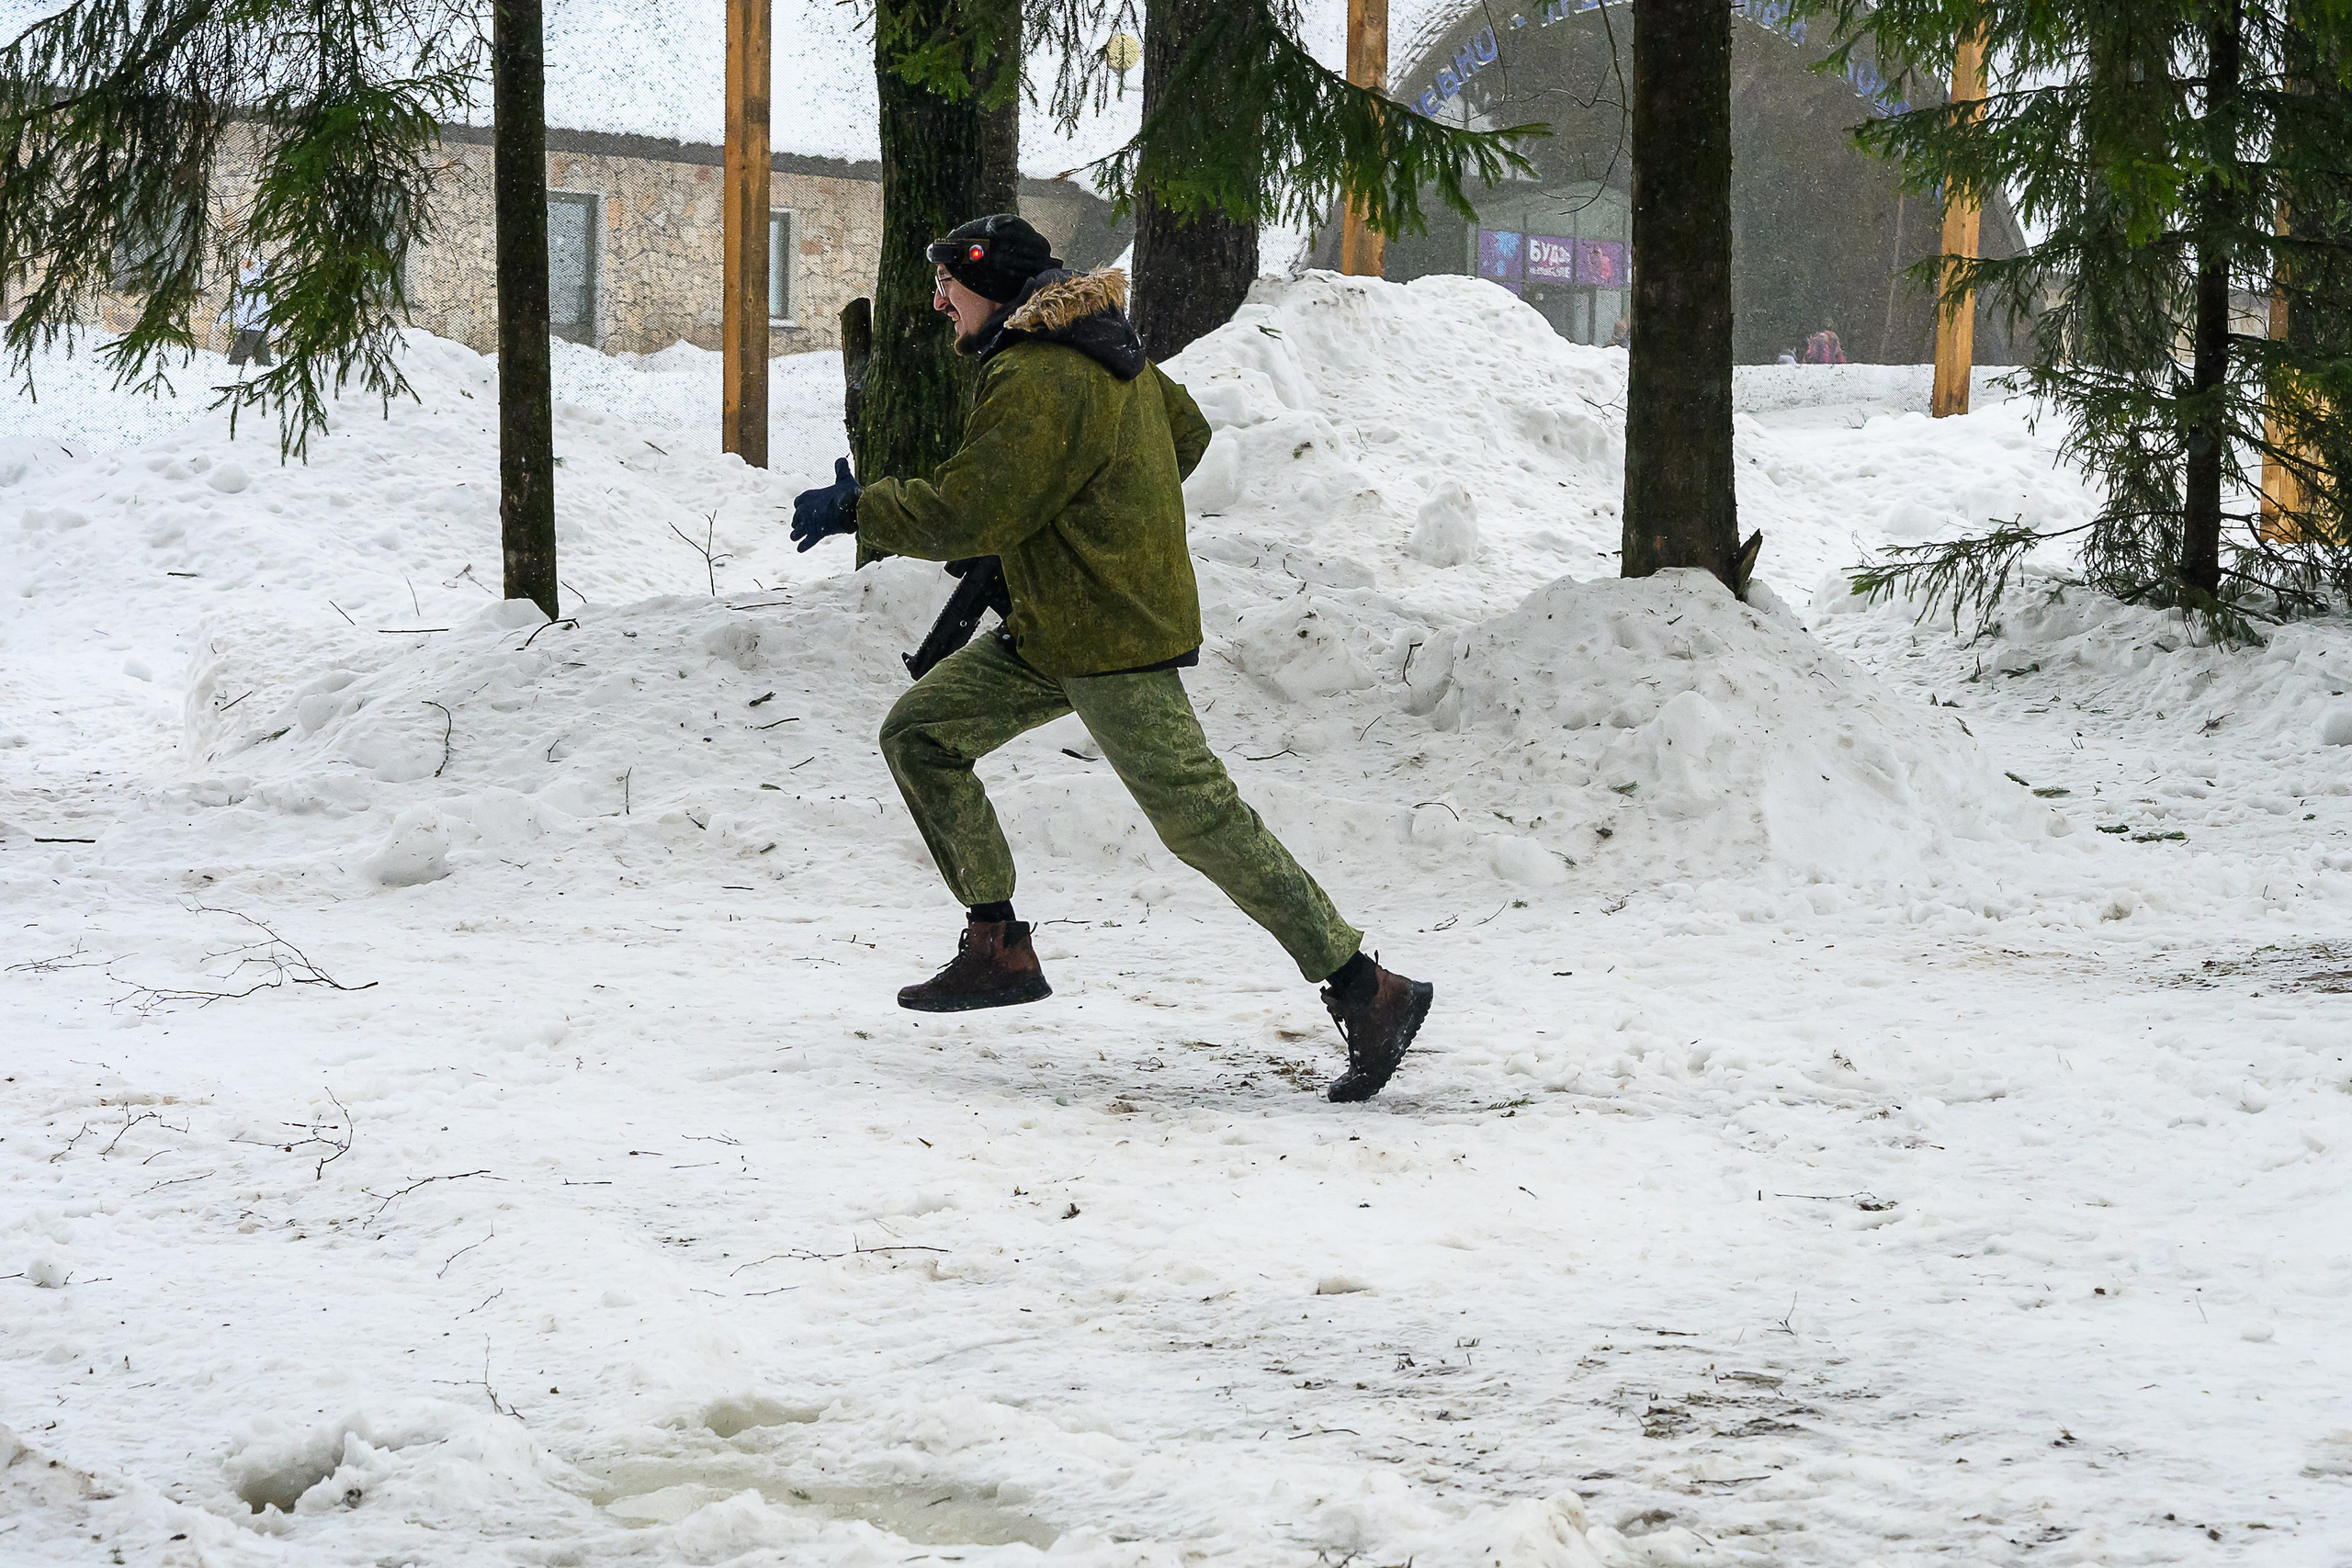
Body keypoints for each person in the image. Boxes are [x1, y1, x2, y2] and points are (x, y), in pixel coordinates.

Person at [790, 214, 1434, 1102]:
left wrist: (861, 507)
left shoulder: (1038, 370)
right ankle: (998, 946)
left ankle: (1369, 989)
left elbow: (968, 509)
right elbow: (1188, 435)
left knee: (1198, 818)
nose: (938, 301)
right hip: (1059, 626)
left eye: (950, 283)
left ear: (993, 282)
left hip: (1108, 636)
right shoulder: (1102, 343)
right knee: (921, 735)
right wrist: (1092, 508)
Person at [223, 256, 273, 367]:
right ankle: (264, 364)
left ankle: (236, 364)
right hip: (256, 326)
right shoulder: (261, 283)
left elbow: (246, 280)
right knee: (260, 348)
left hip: (252, 326)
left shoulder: (257, 283)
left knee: (240, 352)